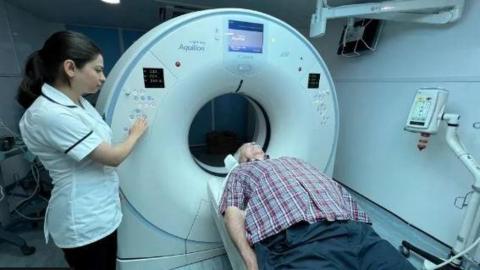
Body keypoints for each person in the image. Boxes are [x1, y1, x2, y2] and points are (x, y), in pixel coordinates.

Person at [17, 31, 148, 270]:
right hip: (83, 219)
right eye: (97, 70)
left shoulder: (79, 102)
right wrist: (136, 134)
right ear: (70, 68)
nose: (103, 77)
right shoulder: (50, 114)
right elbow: (112, 157)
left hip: (101, 210)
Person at [219, 142, 416, 270]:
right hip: (299, 242)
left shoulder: (291, 160)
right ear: (241, 159)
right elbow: (232, 211)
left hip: (357, 232)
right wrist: (250, 260)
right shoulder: (241, 173)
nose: (254, 143)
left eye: (255, 143)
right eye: (248, 145)